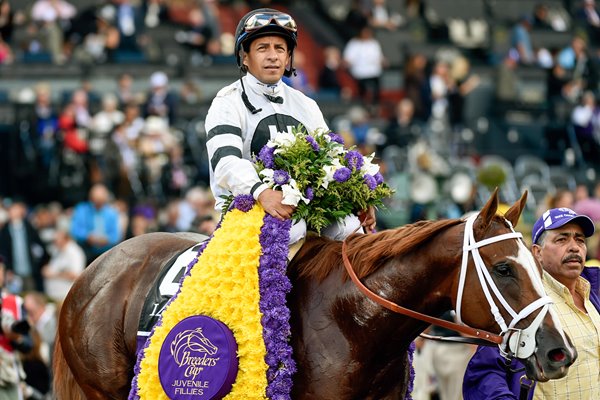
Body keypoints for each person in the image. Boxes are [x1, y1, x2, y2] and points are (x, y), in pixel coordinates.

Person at [204, 8, 375, 245]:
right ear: (245, 57)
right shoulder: (227, 101)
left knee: (352, 228)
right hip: (248, 207)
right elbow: (225, 163)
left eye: (280, 49)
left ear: (287, 58)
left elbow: (331, 157)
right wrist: (261, 192)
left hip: (305, 207)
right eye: (262, 48)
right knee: (292, 231)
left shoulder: (306, 104)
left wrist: (357, 198)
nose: (272, 56)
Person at [463, 207, 600, 399]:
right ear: (537, 253)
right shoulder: (520, 303)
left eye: (580, 239)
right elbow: (485, 374)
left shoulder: (594, 292)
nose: (574, 247)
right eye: (562, 239)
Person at [0, 200, 49, 293]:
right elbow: (3, 252)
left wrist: (41, 263)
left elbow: (39, 247)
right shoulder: (5, 230)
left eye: (15, 209)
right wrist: (7, 269)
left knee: (32, 294)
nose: (12, 212)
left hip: (30, 271)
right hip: (14, 273)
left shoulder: (29, 228)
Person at [69, 183, 121, 265]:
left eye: (101, 201)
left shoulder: (112, 213)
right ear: (91, 199)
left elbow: (116, 236)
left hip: (106, 251)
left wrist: (106, 239)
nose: (98, 204)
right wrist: (87, 236)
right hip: (86, 249)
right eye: (95, 201)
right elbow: (74, 230)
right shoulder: (82, 209)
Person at [41, 229, 85, 304]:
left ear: (66, 239)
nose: (54, 242)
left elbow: (75, 275)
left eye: (56, 240)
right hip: (54, 296)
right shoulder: (57, 251)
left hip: (65, 297)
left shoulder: (74, 253)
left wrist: (53, 274)